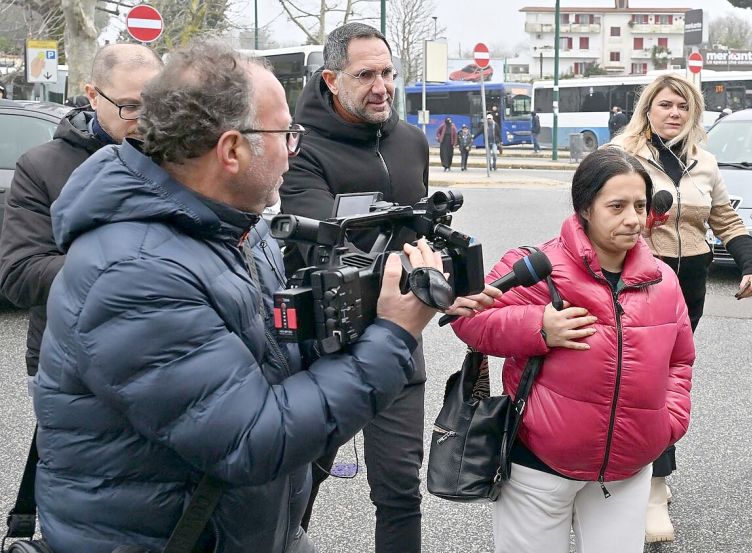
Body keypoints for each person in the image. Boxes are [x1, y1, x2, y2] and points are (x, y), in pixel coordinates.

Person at [33, 40, 465, 553]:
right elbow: (253, 439)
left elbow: (280, 358)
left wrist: (373, 303)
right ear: (231, 150)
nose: (294, 148)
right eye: (287, 133)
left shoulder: (236, 227)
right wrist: (394, 335)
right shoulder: (134, 274)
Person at [452, 147, 694, 553]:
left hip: (628, 470)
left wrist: (668, 422)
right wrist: (538, 327)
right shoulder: (536, 266)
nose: (633, 219)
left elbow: (680, 360)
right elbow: (469, 320)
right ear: (584, 208)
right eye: (616, 206)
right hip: (538, 466)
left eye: (639, 205)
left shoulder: (663, 280)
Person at [278, 22, 431, 552]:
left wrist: (445, 284)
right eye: (365, 74)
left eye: (388, 72)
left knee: (399, 492)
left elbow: (421, 235)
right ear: (331, 79)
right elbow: (324, 245)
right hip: (324, 350)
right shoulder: (299, 146)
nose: (382, 86)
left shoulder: (412, 140)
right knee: (296, 486)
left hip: (398, 343)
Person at [609, 73, 752, 542]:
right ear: (647, 109)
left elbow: (726, 218)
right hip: (637, 280)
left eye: (683, 106)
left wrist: (750, 264)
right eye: (665, 104)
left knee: (668, 378)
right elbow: (594, 212)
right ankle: (652, 486)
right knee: (639, 377)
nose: (674, 113)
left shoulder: (705, 162)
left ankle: (648, 472)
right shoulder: (621, 155)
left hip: (690, 282)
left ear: (694, 114)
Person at [0, 43, 161, 380]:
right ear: (93, 95)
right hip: (68, 361)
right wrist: (133, 268)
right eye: (130, 106)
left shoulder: (180, 158)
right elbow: (19, 275)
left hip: (162, 354)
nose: (144, 121)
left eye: (156, 106)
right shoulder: (40, 166)